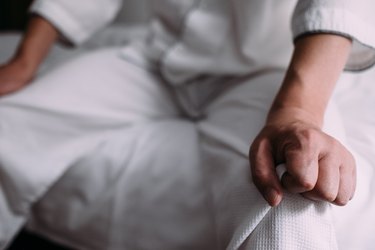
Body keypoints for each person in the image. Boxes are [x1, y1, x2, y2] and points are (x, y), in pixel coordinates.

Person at [0, 0, 374, 249]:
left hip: (266, 70)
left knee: (292, 182)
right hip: (155, 59)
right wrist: (26, 59)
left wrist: (299, 112)